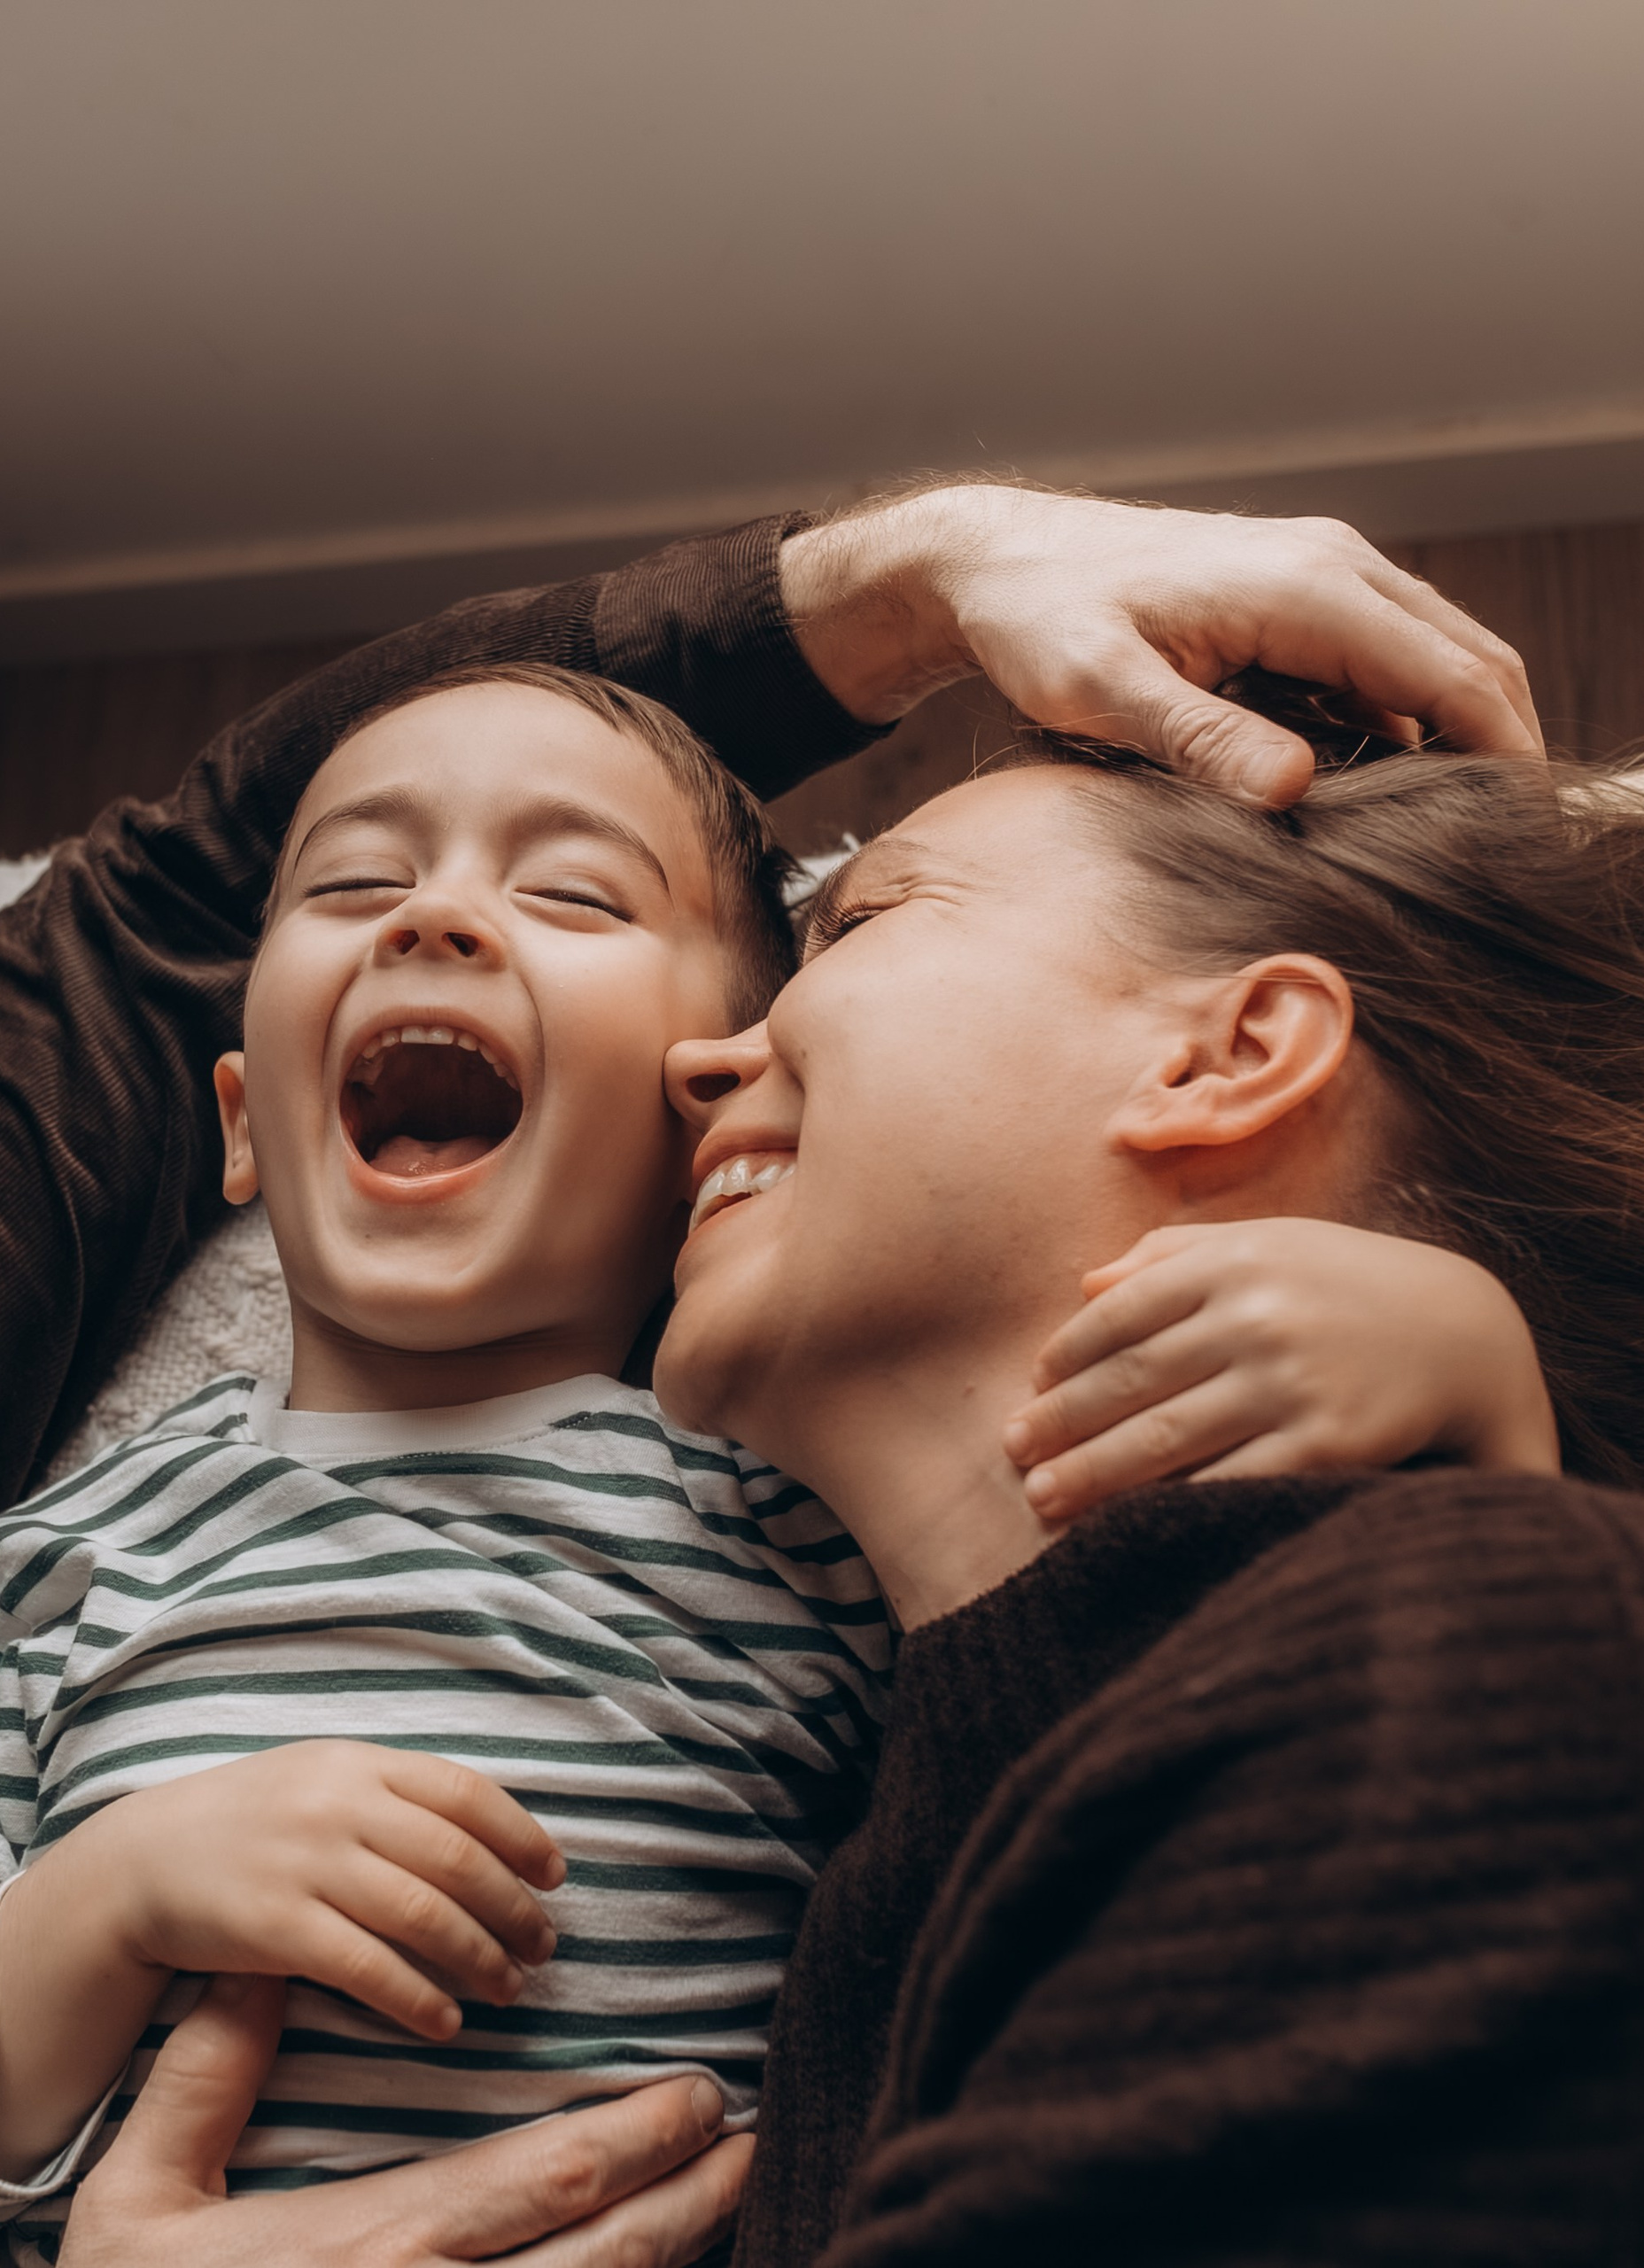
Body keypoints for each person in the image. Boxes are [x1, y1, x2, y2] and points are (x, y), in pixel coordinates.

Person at [0, 485, 1545, 2268]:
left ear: (720, 1108)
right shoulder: (59, 1568)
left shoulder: (788, 1495)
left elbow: (1117, 1773)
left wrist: (1461, 1376)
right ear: (246, 1123)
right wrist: (100, 1905)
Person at [640, 708, 1644, 2262]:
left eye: (865, 917)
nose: (696, 1060)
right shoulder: (881, 1864)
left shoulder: (1479, 1652)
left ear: (1229, 1056)